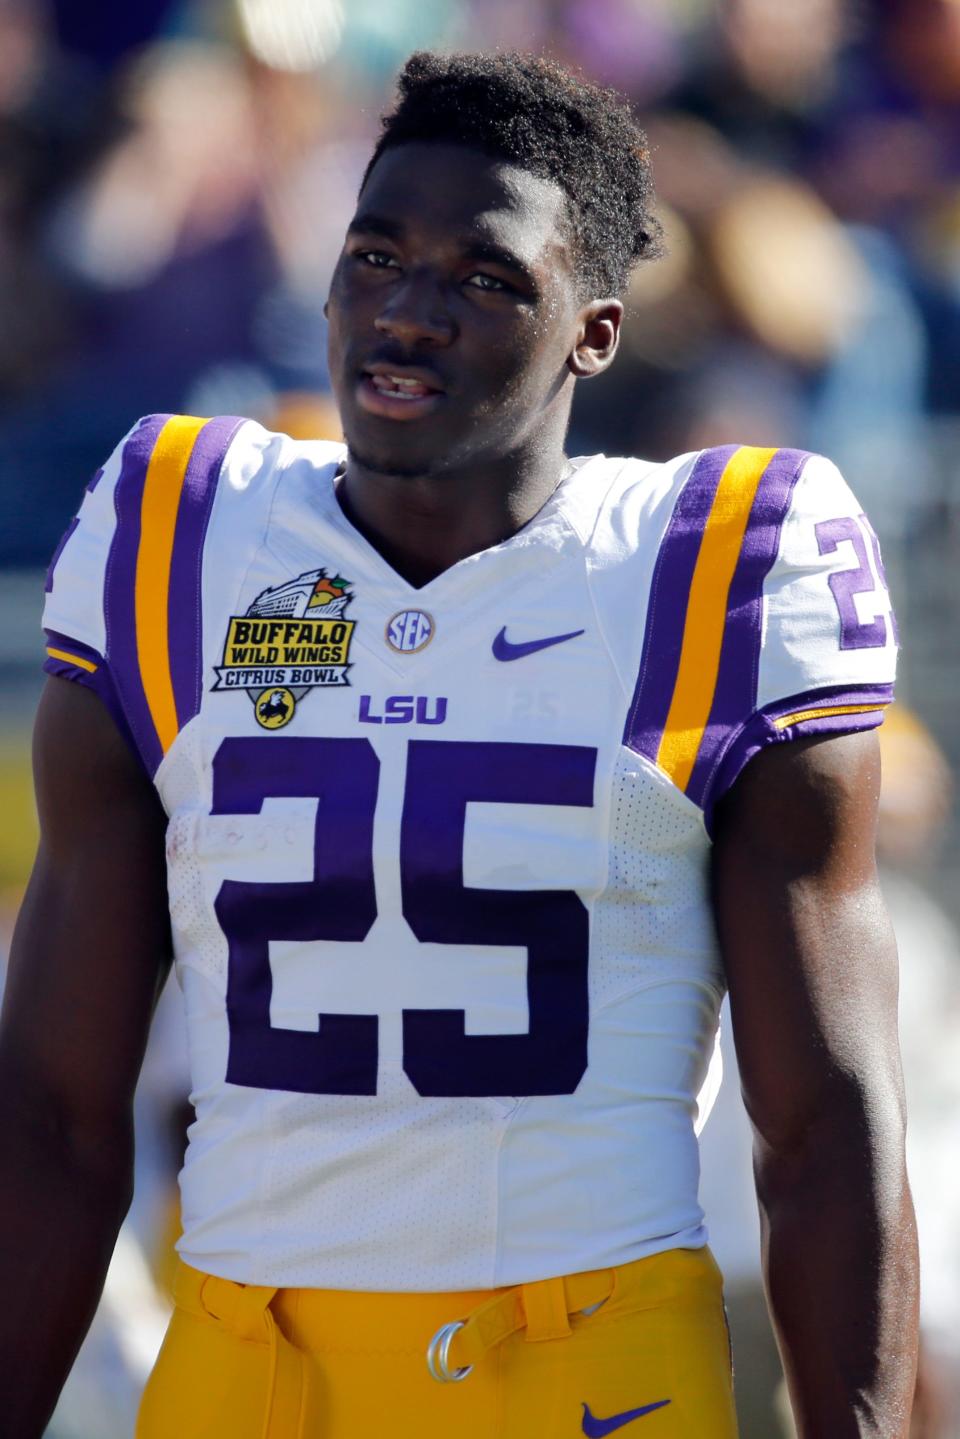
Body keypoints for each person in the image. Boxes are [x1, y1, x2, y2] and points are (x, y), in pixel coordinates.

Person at [0, 51, 918, 1439]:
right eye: (376, 256)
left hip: (583, 1355)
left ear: (593, 332)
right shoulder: (181, 540)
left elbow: (826, 1128)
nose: (410, 314)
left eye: (486, 280)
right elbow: (57, 1115)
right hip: (250, 1352)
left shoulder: (714, 571)